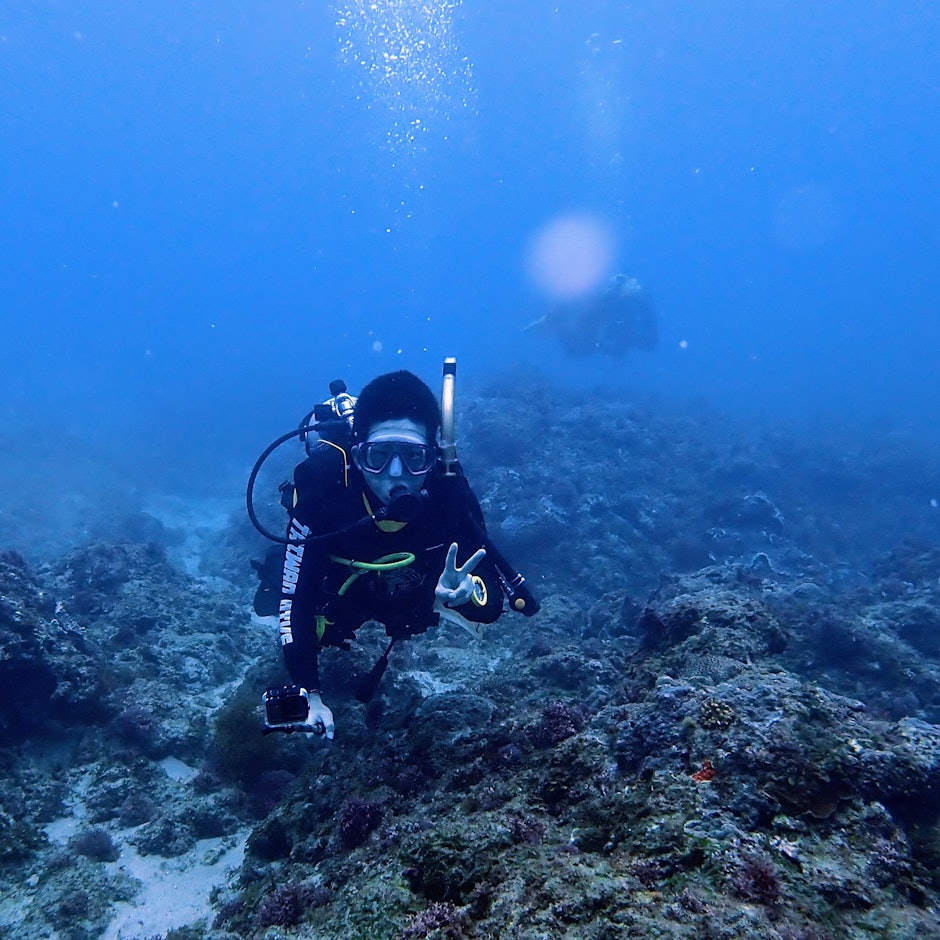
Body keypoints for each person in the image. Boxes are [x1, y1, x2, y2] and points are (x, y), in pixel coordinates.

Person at [274, 370, 504, 739]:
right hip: (340, 594)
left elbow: (492, 598)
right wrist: (310, 693)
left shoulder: (449, 492)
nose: (396, 475)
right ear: (356, 454)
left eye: (414, 456)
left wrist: (465, 594)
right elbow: (292, 599)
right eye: (379, 455)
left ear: (433, 459)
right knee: (299, 612)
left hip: (413, 597)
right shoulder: (324, 490)